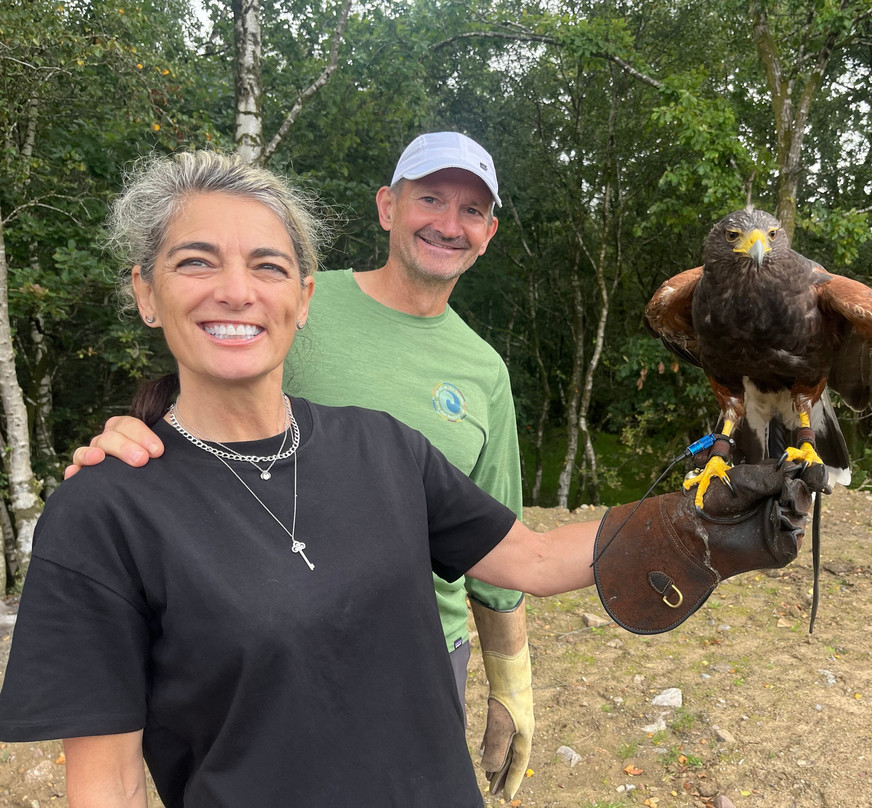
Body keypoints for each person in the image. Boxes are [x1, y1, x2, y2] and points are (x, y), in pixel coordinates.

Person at [0, 150, 813, 807]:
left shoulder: (383, 447)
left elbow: (527, 559)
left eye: (268, 267)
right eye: (195, 262)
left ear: (304, 297)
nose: (237, 291)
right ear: (147, 291)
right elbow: (104, 785)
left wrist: (694, 522)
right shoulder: (104, 513)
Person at [71, 131, 535, 797]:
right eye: (429, 198)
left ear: (488, 232)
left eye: (470, 211)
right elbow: (208, 404)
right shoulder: (291, 298)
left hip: (427, 653)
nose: (447, 224)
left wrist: (510, 677)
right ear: (387, 206)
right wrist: (130, 440)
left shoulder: (485, 372)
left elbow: (503, 543)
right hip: (275, 642)